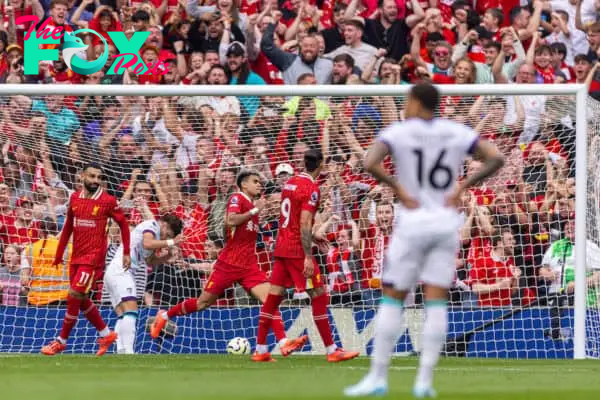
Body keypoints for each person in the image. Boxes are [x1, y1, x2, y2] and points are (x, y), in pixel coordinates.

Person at [344, 83, 504, 398]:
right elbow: (496, 158)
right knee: (435, 300)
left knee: (393, 298)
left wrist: (395, 185)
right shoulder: (455, 131)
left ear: (416, 103)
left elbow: (368, 162)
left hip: (413, 222)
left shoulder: (400, 132)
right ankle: (424, 383)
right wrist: (463, 185)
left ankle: (378, 377)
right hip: (445, 224)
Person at [150, 170, 307, 357]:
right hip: (229, 263)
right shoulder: (237, 198)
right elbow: (231, 220)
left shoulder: (252, 206)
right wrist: (256, 209)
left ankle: (279, 344)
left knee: (270, 299)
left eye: (259, 181)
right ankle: (164, 316)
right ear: (244, 185)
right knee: (202, 303)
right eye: (255, 181)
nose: (259, 184)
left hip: (249, 265)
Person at [253, 149, 360, 363]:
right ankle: (332, 350)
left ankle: (261, 349)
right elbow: (303, 223)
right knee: (319, 295)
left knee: (273, 298)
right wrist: (308, 256)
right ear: (320, 165)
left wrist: (313, 235)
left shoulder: (289, 183)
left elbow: (293, 221)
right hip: (296, 251)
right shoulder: (311, 188)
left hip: (281, 245)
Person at [41, 163, 131, 356]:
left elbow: (123, 225)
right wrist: (59, 254)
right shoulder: (74, 198)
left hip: (93, 259)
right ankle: (106, 334)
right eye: (92, 176)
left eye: (99, 177)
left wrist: (126, 253)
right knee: (80, 299)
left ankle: (61, 340)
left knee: (73, 294)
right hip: (76, 256)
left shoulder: (108, 201)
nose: (95, 181)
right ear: (82, 176)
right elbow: (67, 228)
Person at [104, 200, 184, 354]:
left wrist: (166, 258)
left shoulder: (155, 234)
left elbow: (150, 261)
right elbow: (147, 243)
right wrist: (171, 241)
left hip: (116, 272)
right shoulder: (152, 225)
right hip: (121, 270)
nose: (165, 237)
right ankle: (128, 351)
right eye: (167, 234)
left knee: (122, 315)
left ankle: (121, 350)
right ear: (164, 226)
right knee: (131, 311)